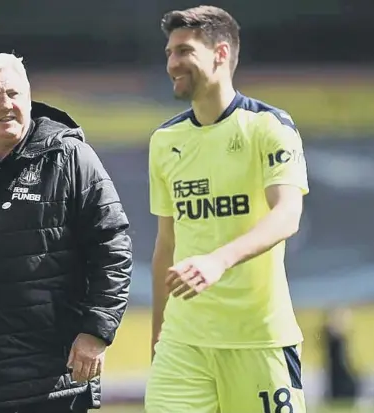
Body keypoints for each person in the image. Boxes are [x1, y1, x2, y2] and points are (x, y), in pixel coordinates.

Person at [0, 53, 133, 413]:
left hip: (50, 381)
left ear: (29, 98)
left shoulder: (71, 158)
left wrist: (96, 331)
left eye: (14, 94)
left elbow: (113, 248)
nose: (5, 105)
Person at [145, 5, 309, 413]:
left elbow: (287, 214)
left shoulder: (269, 127)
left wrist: (219, 260)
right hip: (184, 344)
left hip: (258, 339)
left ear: (221, 53)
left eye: (183, 51)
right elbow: (166, 244)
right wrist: (159, 336)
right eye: (168, 53)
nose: (172, 63)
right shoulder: (164, 141)